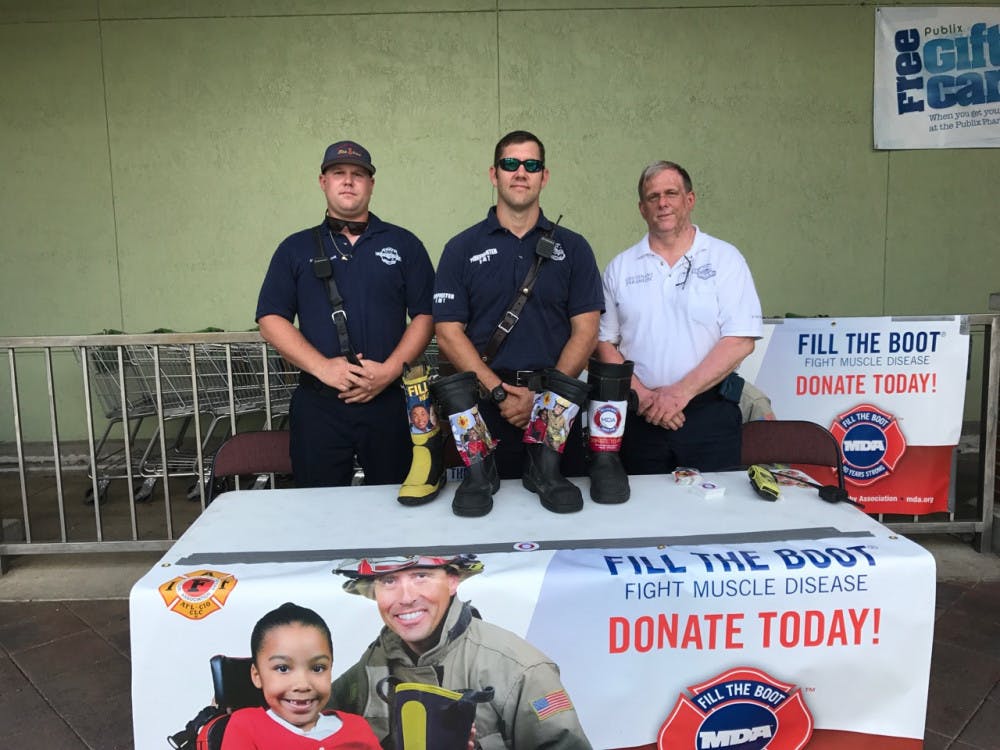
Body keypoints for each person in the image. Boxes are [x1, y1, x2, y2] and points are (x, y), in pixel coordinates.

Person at [256, 141, 440, 501]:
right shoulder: (294, 248)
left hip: (390, 402)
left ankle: (396, 561)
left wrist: (388, 372)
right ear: (322, 182)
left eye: (358, 175)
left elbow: (426, 315)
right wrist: (324, 368)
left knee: (397, 504)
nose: (348, 181)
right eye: (338, 173)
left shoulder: (404, 244)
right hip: (319, 404)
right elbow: (270, 318)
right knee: (318, 507)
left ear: (371, 185)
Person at [432, 131, 604, 516]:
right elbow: (447, 333)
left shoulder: (574, 248)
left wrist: (543, 405)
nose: (520, 172)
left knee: (563, 520)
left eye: (532, 165)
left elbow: (587, 331)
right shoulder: (461, 248)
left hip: (556, 405)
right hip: (484, 406)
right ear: (494, 174)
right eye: (511, 164)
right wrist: (499, 393)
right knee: (480, 521)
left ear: (545, 176)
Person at [596, 160, 763, 473]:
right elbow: (604, 343)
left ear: (690, 199)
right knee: (642, 515)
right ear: (642, 208)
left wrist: (678, 395)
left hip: (708, 413)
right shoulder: (621, 268)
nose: (662, 203)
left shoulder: (725, 259)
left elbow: (741, 340)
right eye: (652, 196)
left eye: (671, 193)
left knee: (714, 516)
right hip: (639, 415)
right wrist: (645, 397)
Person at [330, 555, 592, 750]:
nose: (406, 597)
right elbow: (312, 719)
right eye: (389, 580)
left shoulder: (520, 670)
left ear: (453, 580)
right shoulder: (376, 660)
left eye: (421, 575)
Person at [220, 601, 381, 749]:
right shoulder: (246, 726)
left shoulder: (357, 727)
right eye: (283, 668)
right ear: (257, 676)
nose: (303, 685)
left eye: (318, 668)